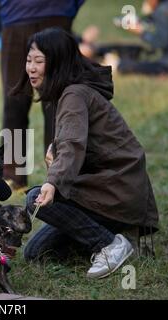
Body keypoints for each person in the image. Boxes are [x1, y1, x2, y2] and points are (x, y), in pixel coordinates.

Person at [13, 27, 159, 279]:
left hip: (117, 190)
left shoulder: (73, 95)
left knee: (35, 198)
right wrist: (56, 162)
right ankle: (122, 237)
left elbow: (72, 145)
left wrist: (53, 181)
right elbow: (75, 147)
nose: (31, 68)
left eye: (39, 61)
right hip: (106, 189)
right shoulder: (69, 93)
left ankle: (109, 245)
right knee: (36, 252)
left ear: (57, 63)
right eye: (29, 60)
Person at [0, 0, 85, 192]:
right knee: (14, 98)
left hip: (57, 15)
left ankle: (59, 175)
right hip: (16, 16)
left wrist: (67, 8)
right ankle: (13, 175)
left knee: (58, 102)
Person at [112, 0, 168, 74]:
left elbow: (159, 43)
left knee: (146, 66)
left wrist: (140, 32)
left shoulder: (163, 10)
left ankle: (118, 65)